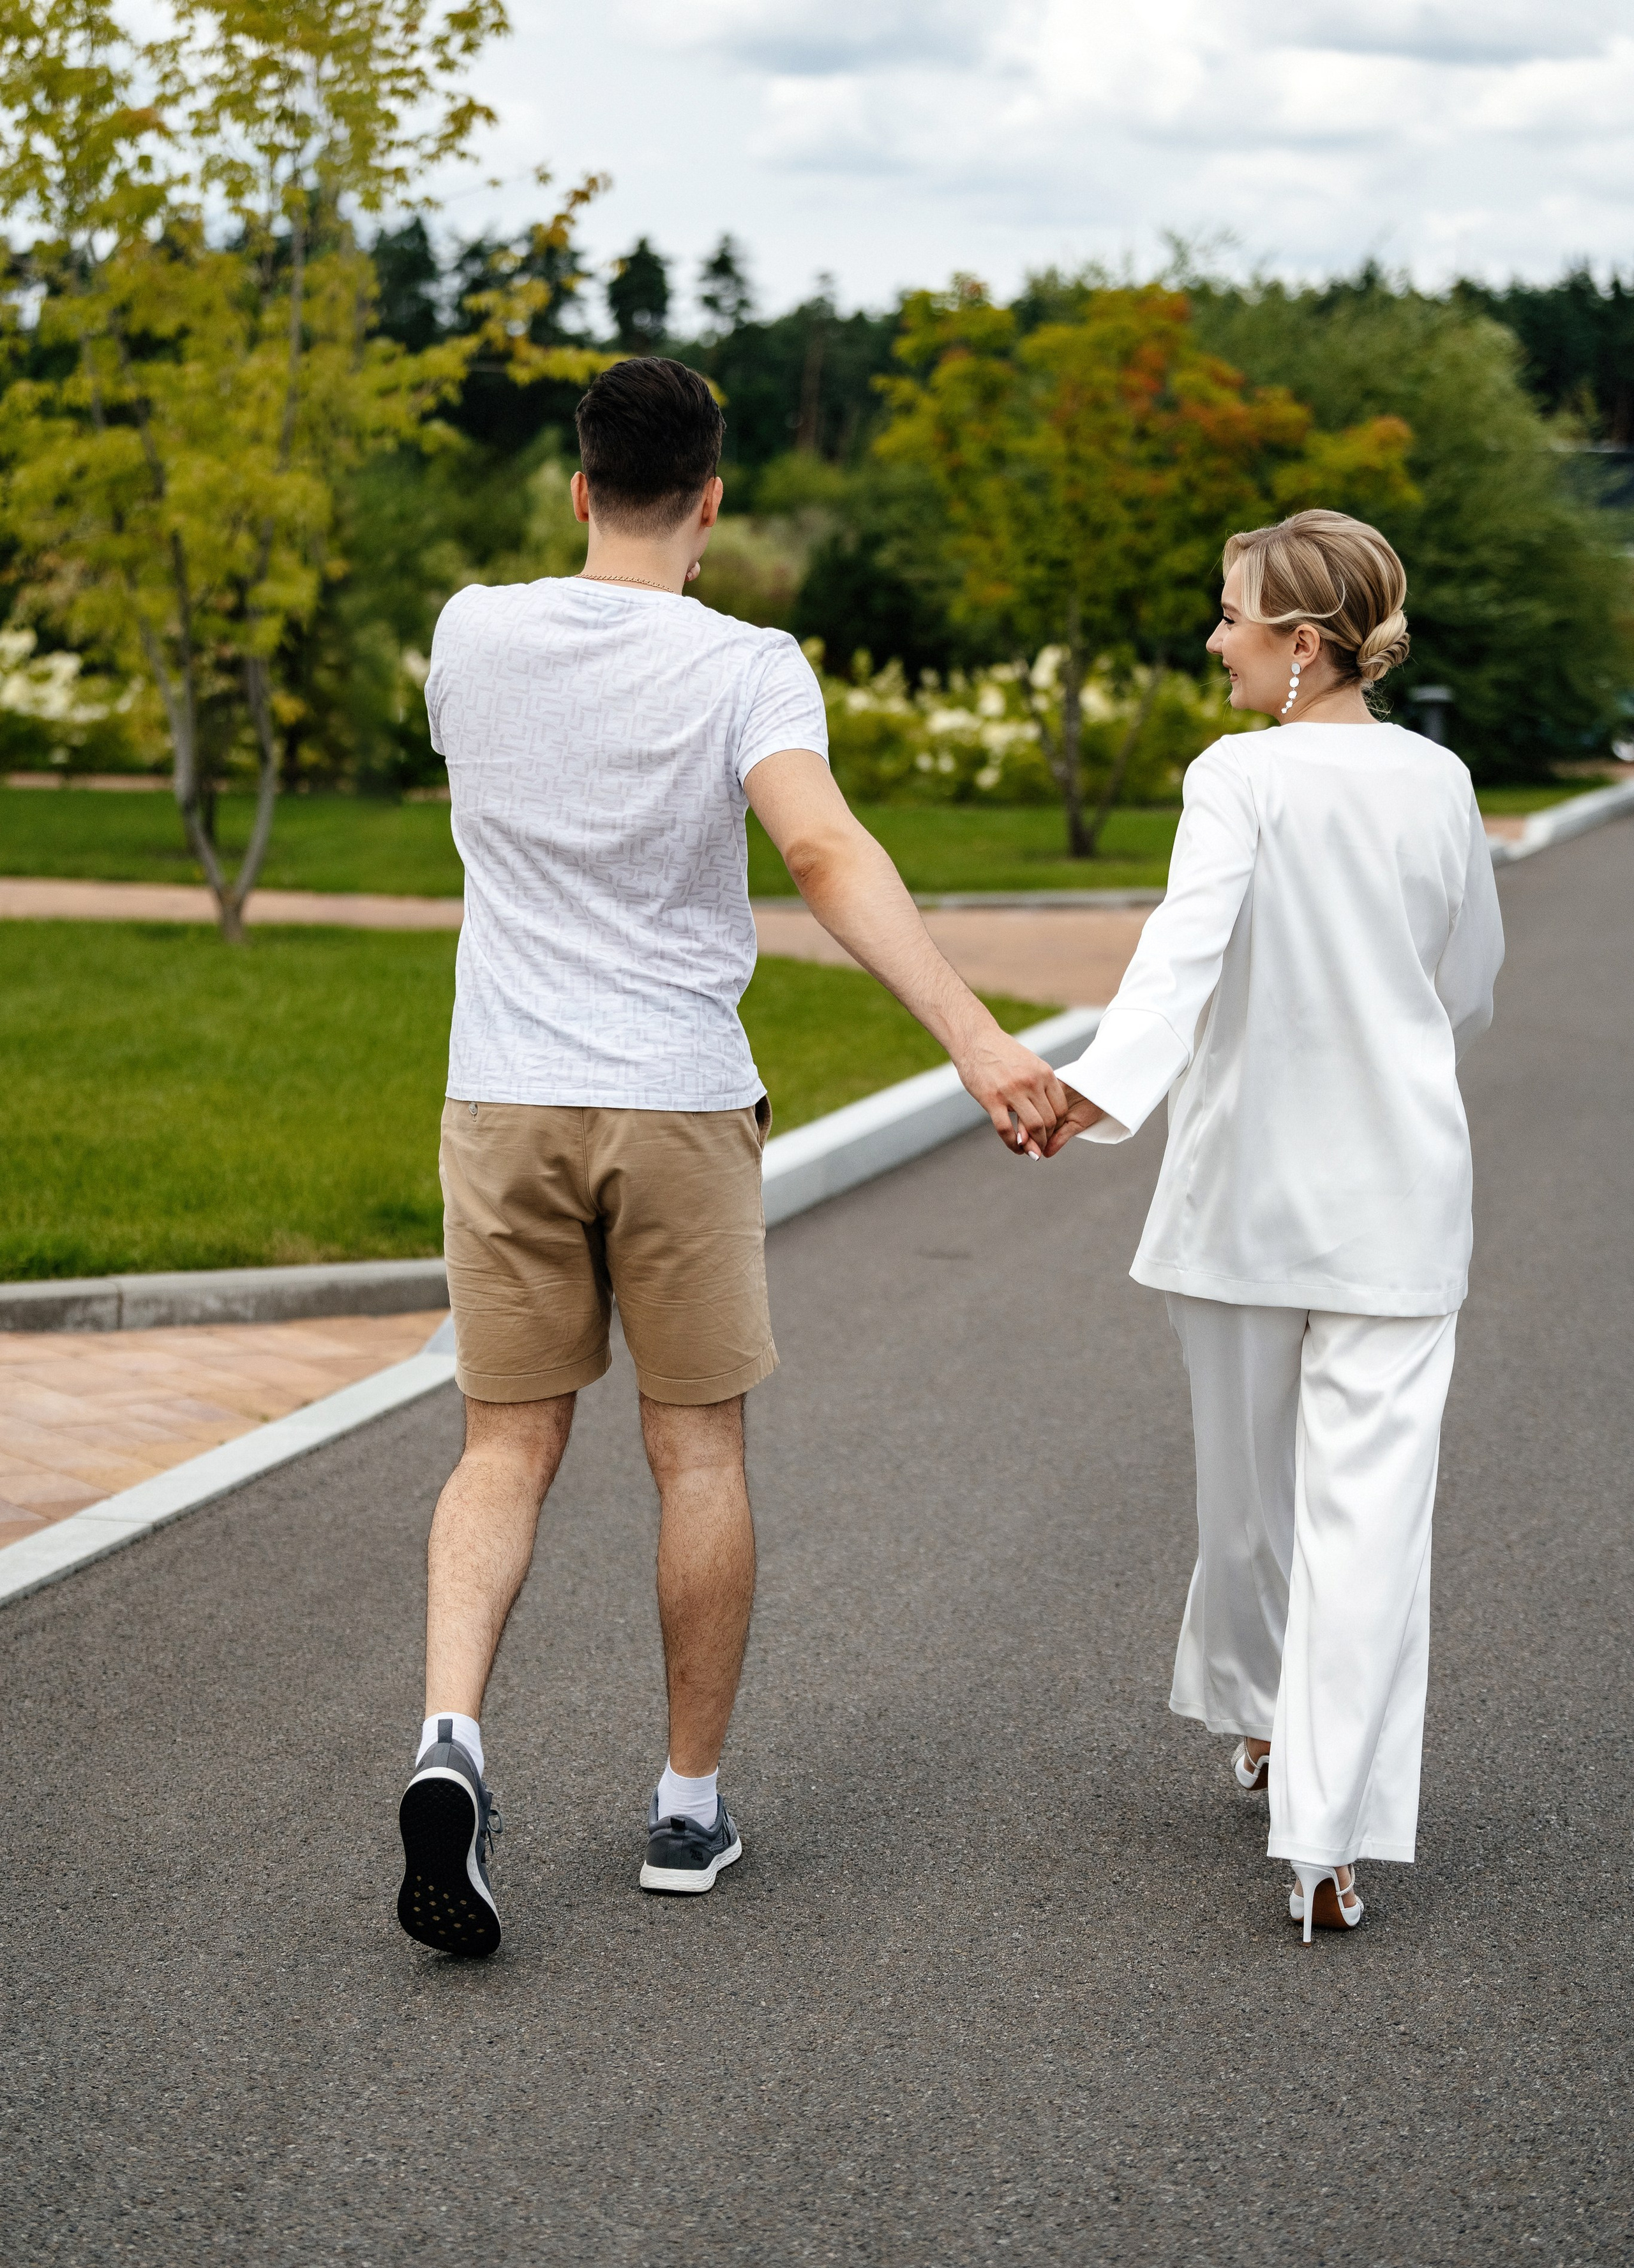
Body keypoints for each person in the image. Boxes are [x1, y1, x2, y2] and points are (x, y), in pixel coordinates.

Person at [396, 355, 1067, 1957]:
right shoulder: (748, 664)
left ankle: (450, 1747)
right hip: (679, 1101)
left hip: (501, 1098)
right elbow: (820, 846)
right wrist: (977, 1040)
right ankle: (686, 1810)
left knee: (503, 1447)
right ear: (710, 500)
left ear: (577, 490)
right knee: (694, 1456)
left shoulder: (470, 631)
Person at [1044, 507, 1504, 1941]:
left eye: (1229, 614)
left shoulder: (1235, 778)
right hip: (1397, 1194)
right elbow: (1466, 983)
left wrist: (1087, 1091)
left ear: (1300, 646)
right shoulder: (1437, 782)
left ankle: (1294, 1784)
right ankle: (1308, 1809)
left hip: (1249, 1199)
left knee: (1254, 1509)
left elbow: (1177, 960)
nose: (1212, 638)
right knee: (1341, 1521)